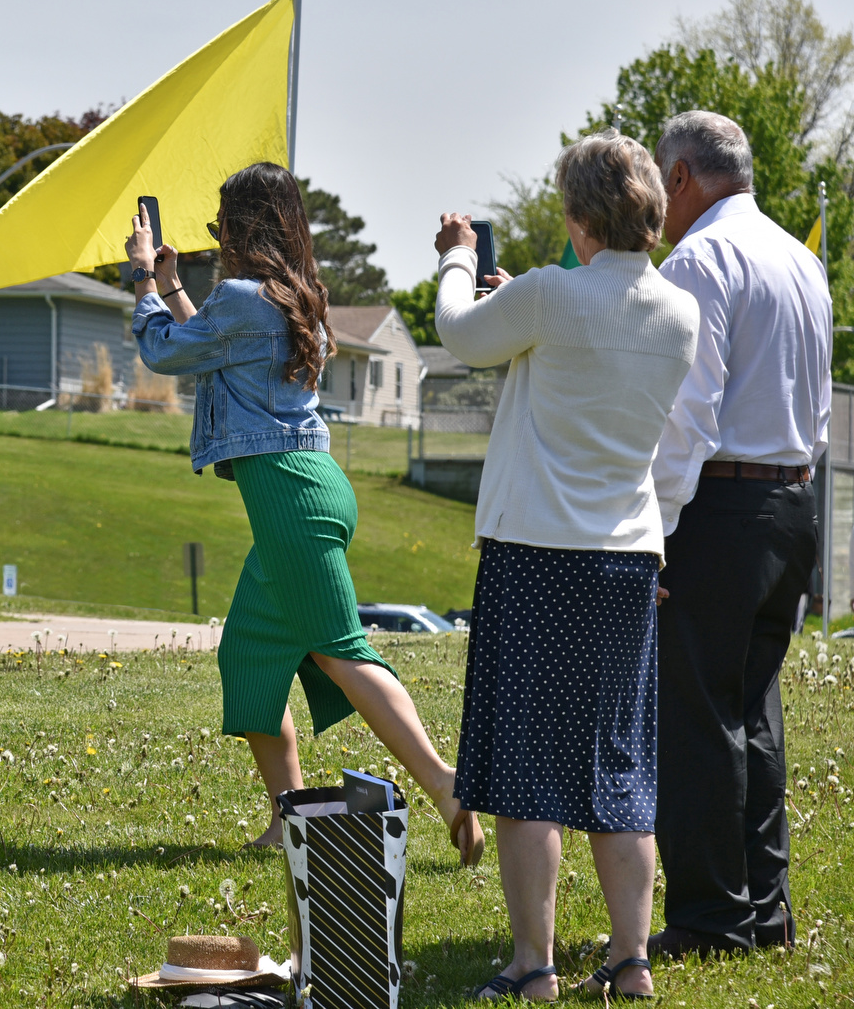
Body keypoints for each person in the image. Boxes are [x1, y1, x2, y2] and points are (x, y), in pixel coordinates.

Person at [128, 162, 484, 869]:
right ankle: (289, 821)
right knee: (250, 653)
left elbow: (163, 351)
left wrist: (142, 279)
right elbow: (213, 351)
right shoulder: (296, 297)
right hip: (314, 486)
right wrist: (173, 285)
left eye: (218, 226)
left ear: (240, 229)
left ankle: (446, 786)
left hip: (291, 497)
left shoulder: (238, 297)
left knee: (340, 649)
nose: (215, 237)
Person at [433, 130, 700, 1001]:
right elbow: (586, 344)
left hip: (536, 553)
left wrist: (458, 259)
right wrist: (527, 303)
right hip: (625, 557)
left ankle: (534, 965)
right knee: (617, 766)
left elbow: (459, 333)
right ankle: (630, 962)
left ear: (579, 216)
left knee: (526, 770)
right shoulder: (679, 312)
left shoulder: (547, 296)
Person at [647, 111, 830, 957]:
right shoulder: (802, 258)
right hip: (794, 502)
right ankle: (767, 909)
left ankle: (712, 918)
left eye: (660, 182)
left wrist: (653, 529)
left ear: (681, 177)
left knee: (695, 716)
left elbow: (688, 414)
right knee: (753, 712)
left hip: (720, 509)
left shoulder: (700, 260)